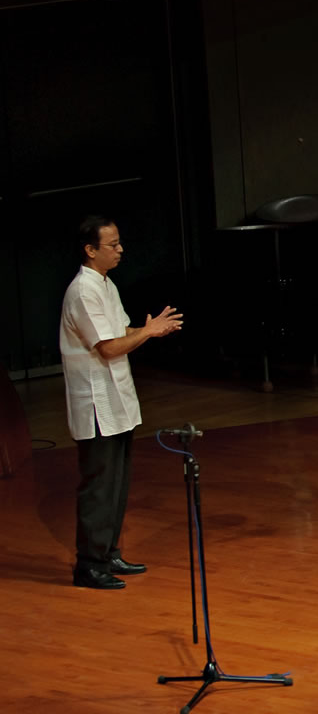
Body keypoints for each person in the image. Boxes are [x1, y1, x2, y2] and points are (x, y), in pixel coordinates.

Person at [61, 216, 183, 589]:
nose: (120, 250)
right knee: (99, 484)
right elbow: (109, 347)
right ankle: (89, 564)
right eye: (112, 245)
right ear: (90, 249)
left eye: (119, 243)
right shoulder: (83, 291)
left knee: (117, 481)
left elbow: (121, 331)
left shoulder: (106, 285)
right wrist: (147, 332)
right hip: (97, 403)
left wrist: (150, 328)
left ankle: (108, 552)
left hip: (117, 401)